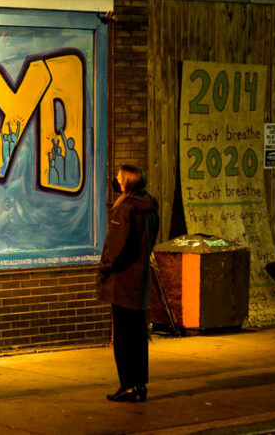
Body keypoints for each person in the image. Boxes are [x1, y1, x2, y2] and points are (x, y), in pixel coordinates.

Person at [98, 164, 159, 403]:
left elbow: (116, 247)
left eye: (118, 177)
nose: (115, 180)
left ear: (127, 182)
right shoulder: (150, 206)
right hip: (140, 277)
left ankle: (127, 385)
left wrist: (104, 268)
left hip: (123, 280)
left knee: (123, 336)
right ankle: (139, 384)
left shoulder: (124, 209)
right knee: (138, 335)